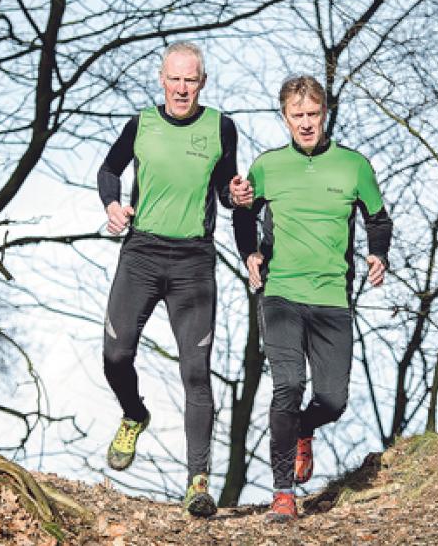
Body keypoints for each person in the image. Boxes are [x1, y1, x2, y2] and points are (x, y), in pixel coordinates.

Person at [230, 75, 392, 523]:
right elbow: (242, 215)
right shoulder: (267, 166)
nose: (305, 123)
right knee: (288, 385)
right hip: (280, 293)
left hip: (332, 298)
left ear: (325, 114)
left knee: (332, 400)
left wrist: (378, 253)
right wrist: (250, 253)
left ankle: (302, 430)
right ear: (285, 117)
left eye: (313, 114)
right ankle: (283, 493)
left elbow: (378, 219)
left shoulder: (353, 166)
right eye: (297, 115)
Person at [96, 41, 238, 518]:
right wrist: (113, 205)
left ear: (203, 82)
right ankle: (134, 413)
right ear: (161, 79)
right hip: (140, 254)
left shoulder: (221, 127)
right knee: (116, 355)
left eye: (190, 79)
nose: (182, 88)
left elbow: (225, 190)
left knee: (196, 371)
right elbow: (109, 168)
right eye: (174, 79)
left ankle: (197, 480)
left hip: (193, 263)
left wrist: (238, 198)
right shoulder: (141, 123)